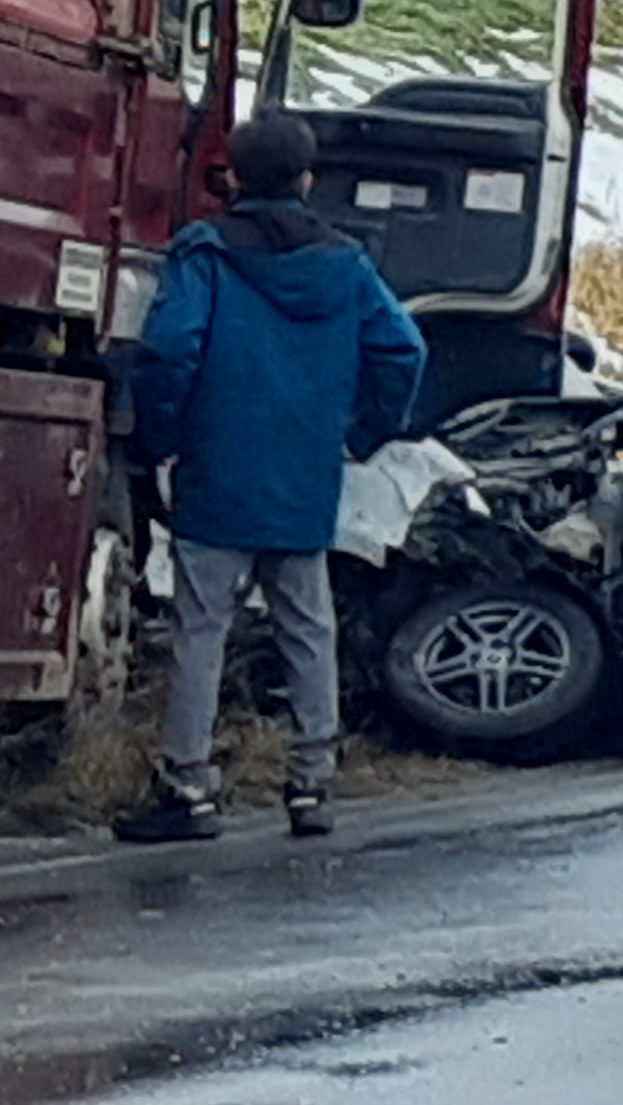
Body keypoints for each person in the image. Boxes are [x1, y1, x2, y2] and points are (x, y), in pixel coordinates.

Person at [116, 111, 426, 843]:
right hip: (304, 471)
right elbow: (404, 352)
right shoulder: (347, 265)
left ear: (231, 179)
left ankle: (187, 787)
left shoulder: (206, 255)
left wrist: (159, 436)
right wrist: (363, 432)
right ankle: (312, 785)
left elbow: (169, 349)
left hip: (218, 467)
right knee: (308, 628)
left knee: (201, 629)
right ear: (307, 180)